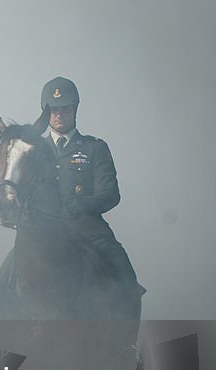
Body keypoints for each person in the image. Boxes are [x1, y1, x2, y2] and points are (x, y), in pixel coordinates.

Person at [36, 76, 144, 317]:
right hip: (45, 231)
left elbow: (111, 194)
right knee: (4, 277)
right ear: (46, 113)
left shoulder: (95, 147)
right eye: (53, 110)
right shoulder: (35, 150)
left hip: (87, 227)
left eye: (65, 109)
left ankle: (126, 345)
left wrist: (85, 204)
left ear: (74, 110)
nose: (59, 115)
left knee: (124, 274)